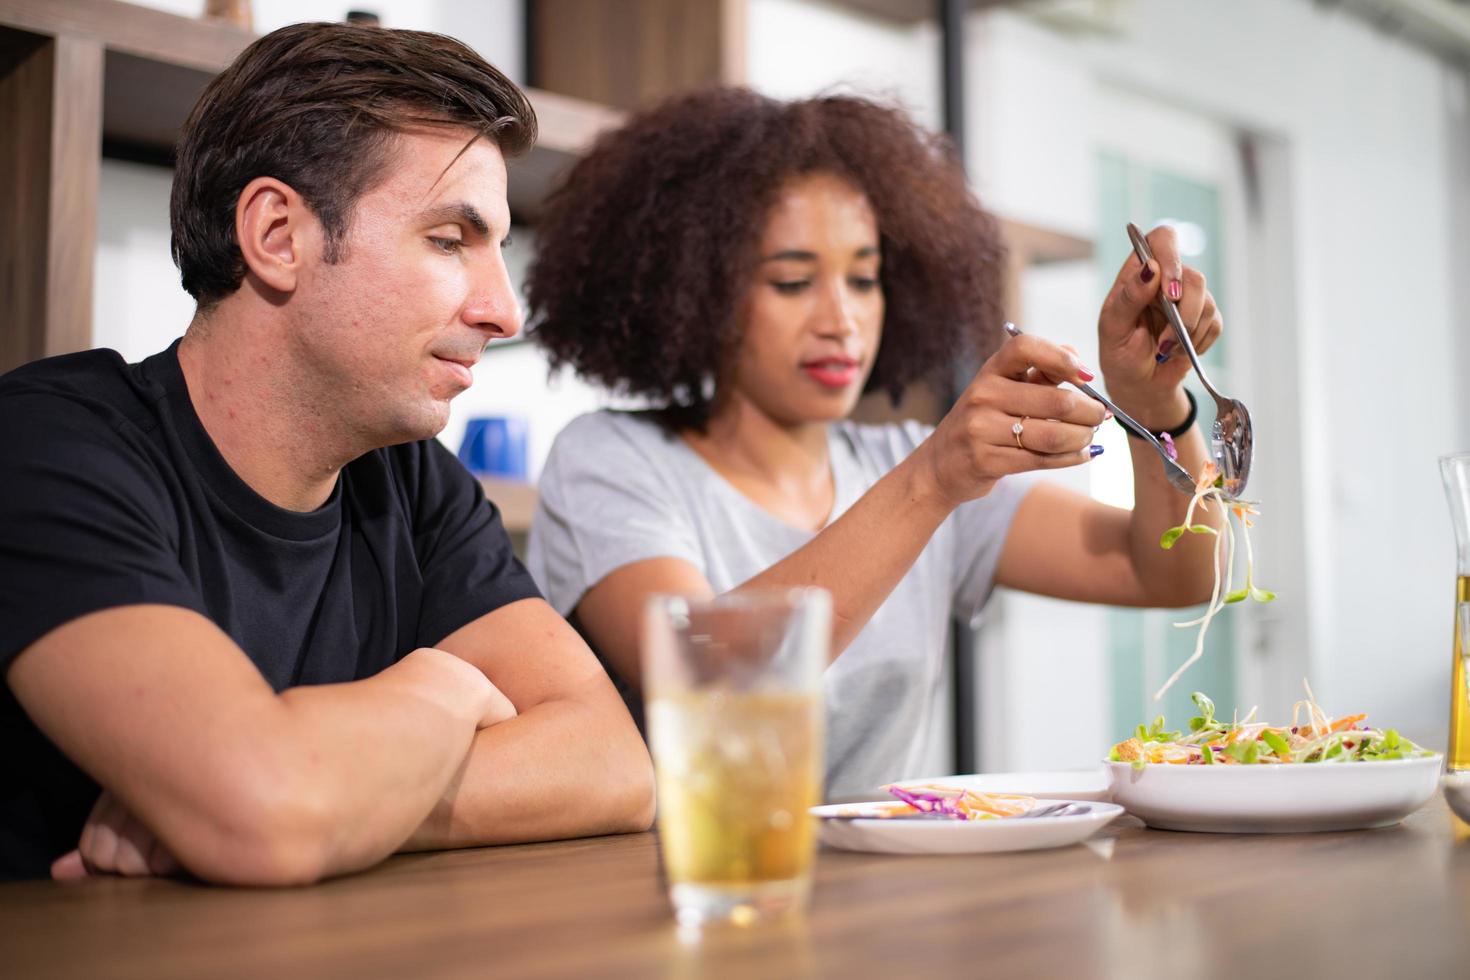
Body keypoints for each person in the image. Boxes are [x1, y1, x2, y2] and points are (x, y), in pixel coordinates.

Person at [0, 23, 654, 884]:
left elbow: (614, 765)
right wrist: (440, 692)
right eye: (451, 240)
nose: (505, 311)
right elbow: (268, 808)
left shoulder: (410, 481)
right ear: (277, 235)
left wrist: (331, 799)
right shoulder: (48, 447)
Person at [525, 89, 1223, 798]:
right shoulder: (610, 462)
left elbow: (1172, 574)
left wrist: (1154, 405)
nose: (842, 319)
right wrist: (933, 481)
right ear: (696, 292)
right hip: (691, 896)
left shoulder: (900, 464)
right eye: (793, 281)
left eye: (864, 279)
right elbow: (713, 682)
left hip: (872, 899)